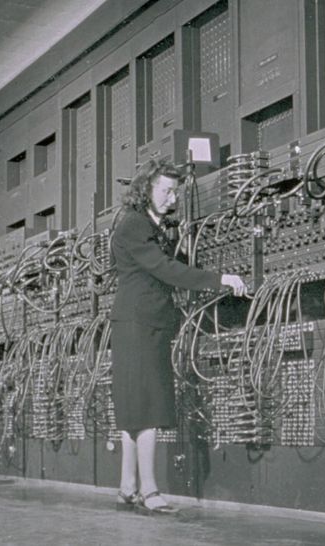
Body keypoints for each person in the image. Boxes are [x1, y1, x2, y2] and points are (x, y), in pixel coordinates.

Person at [110, 157, 247, 514]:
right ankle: (150, 490)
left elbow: (176, 262)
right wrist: (220, 280)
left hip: (142, 322)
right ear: (146, 189)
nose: (173, 197)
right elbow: (165, 268)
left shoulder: (149, 227)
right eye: (166, 190)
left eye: (176, 191)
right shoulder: (135, 225)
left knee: (133, 406)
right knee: (149, 405)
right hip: (140, 322)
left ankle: (128, 485)